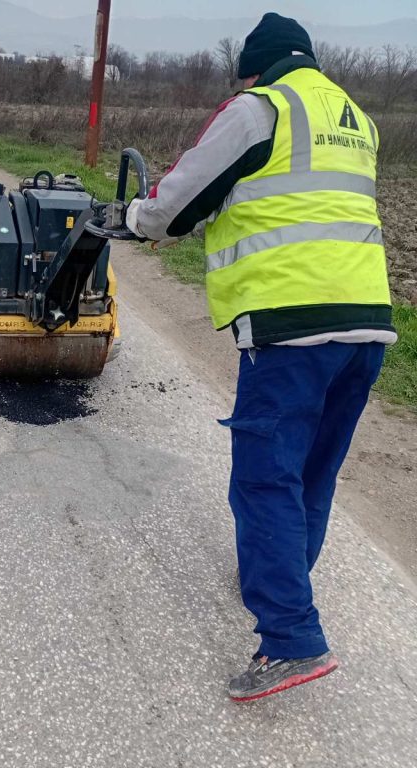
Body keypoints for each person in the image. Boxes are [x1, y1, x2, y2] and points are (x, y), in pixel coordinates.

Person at [126, 12, 396, 702]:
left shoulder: (259, 108)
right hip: (367, 324)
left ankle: (291, 639)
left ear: (253, 69)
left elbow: (180, 201)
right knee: (312, 471)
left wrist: (135, 219)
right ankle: (283, 578)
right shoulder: (354, 117)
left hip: (290, 324)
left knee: (263, 481)